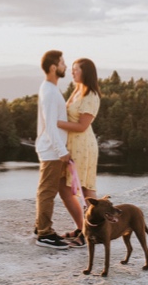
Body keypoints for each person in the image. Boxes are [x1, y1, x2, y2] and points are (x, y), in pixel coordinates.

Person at [32, 50, 77, 249]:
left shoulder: (50, 88)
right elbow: (51, 125)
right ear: (53, 67)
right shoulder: (49, 91)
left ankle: (40, 226)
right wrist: (61, 151)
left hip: (53, 149)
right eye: (62, 63)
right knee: (47, 191)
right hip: (52, 151)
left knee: (48, 190)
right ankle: (45, 234)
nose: (65, 66)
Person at [55, 58, 102, 246]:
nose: (72, 72)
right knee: (77, 189)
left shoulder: (91, 96)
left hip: (83, 146)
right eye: (72, 69)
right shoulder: (78, 90)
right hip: (74, 144)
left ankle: (88, 232)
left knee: (75, 189)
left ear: (86, 73)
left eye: (76, 70)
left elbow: (82, 126)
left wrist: (54, 123)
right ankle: (87, 229)